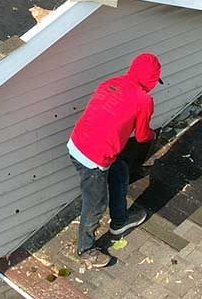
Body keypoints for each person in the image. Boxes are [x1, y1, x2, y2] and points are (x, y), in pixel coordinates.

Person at [67, 53, 160, 269]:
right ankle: (86, 249)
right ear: (152, 79)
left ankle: (120, 221)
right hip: (94, 159)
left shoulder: (111, 82)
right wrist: (153, 135)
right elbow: (142, 136)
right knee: (95, 205)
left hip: (76, 142)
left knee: (119, 171)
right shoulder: (144, 100)